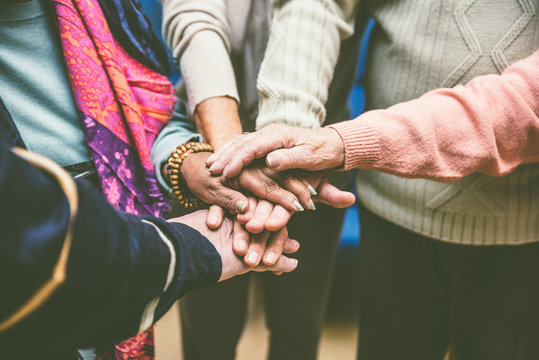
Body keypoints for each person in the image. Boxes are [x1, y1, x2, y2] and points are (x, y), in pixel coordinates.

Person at [207, 2, 539, 358]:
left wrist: (346, 142)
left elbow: (528, 100)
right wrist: (288, 137)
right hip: (387, 214)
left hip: (521, 236)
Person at [157, 0, 361, 358]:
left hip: (313, 157)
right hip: (207, 152)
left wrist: (282, 155)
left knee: (298, 326)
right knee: (209, 329)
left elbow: (314, 13)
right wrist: (233, 164)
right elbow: (195, 18)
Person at [0, 138, 299, 359]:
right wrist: (184, 247)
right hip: (90, 246)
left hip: (121, 233)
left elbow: (157, 110)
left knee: (298, 327)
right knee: (210, 335)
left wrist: (189, 157)